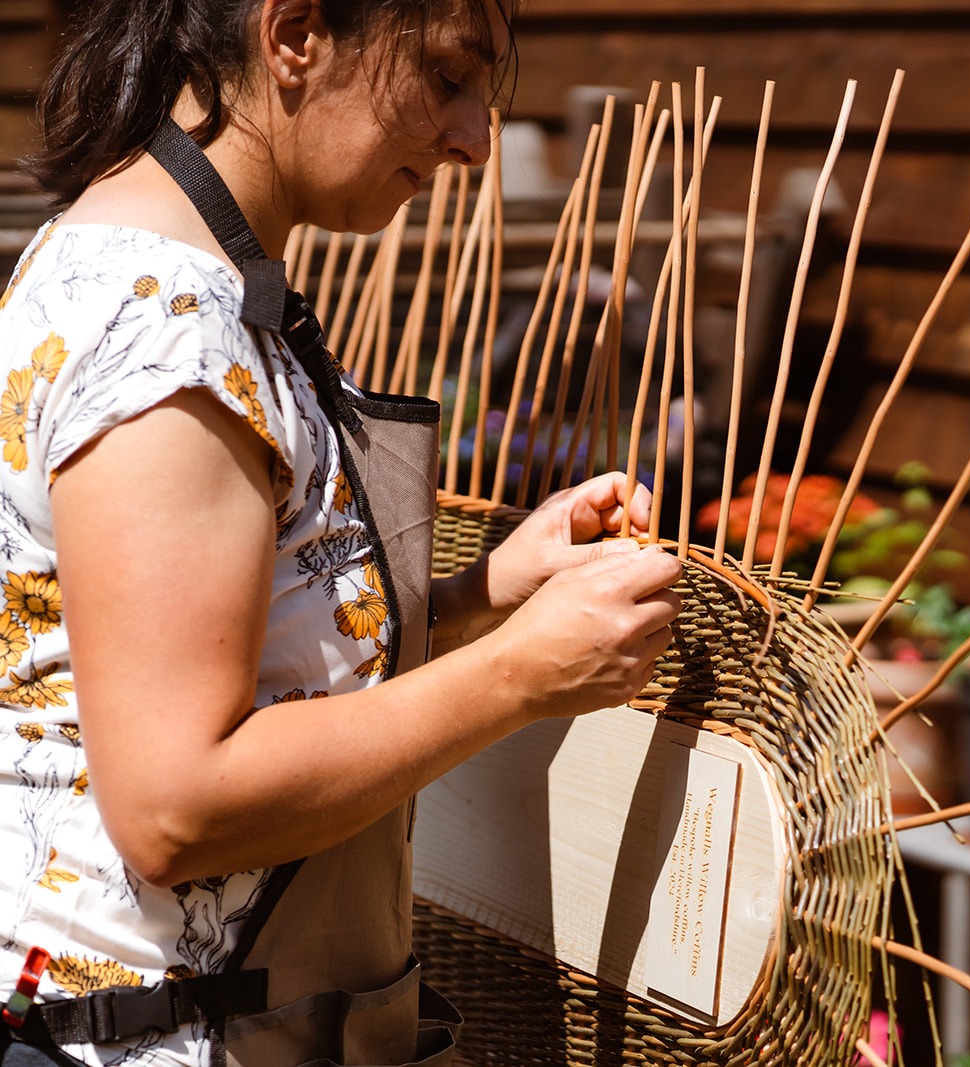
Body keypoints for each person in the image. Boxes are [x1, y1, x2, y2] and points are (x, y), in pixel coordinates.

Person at [0, 1, 683, 1065]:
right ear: (297, 33)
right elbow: (179, 801)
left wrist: (479, 594)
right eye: (449, 76)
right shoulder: (164, 335)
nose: (471, 138)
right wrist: (522, 672)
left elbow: (223, 644)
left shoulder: (163, 271)